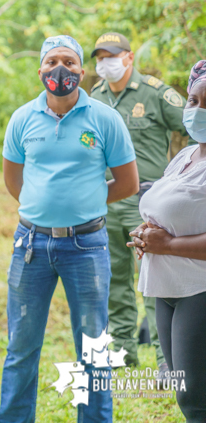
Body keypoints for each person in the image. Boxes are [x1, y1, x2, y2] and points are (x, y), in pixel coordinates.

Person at [0, 35, 139, 422]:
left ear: (82, 70)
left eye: (69, 62)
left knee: (93, 349)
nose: (60, 69)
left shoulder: (105, 119)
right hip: (30, 244)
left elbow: (128, 183)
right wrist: (42, 207)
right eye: (51, 62)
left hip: (87, 246)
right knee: (20, 348)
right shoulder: (22, 118)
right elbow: (14, 180)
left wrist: (87, 201)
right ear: (40, 70)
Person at [89, 31, 188, 372]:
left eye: (112, 56)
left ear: (129, 57)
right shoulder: (95, 96)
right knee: (114, 279)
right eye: (100, 58)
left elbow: (192, 126)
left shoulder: (155, 92)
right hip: (107, 199)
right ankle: (124, 354)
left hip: (148, 200)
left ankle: (165, 360)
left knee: (155, 279)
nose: (106, 63)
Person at [129, 59, 206, 421]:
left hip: (199, 290)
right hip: (168, 289)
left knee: (197, 401)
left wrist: (167, 245)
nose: (198, 110)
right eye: (193, 101)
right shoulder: (187, 157)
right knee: (184, 393)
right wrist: (146, 234)